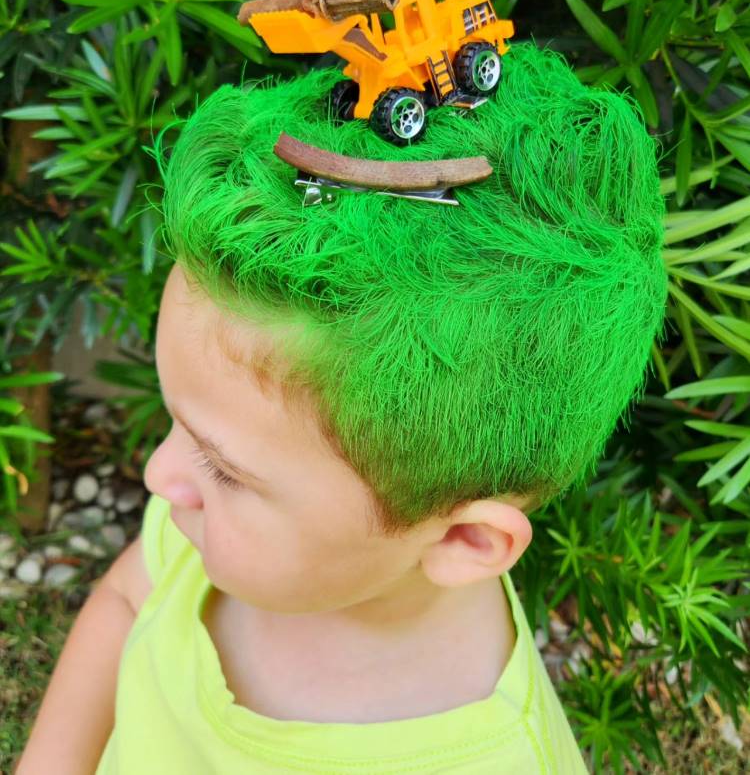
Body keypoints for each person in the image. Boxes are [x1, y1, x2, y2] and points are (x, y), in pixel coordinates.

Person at [17, 41, 668, 774]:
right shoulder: (206, 523)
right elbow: (125, 601)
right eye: (179, 426)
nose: (160, 475)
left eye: (226, 471)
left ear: (463, 545)